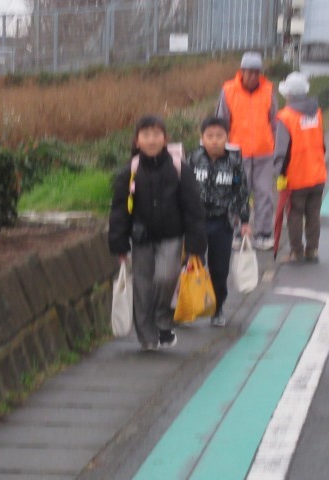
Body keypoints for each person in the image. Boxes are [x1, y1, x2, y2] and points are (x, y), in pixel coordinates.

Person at [108, 115, 207, 351]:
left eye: (156, 134)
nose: (151, 140)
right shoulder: (129, 172)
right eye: (146, 135)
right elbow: (119, 210)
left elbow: (193, 207)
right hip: (140, 238)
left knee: (166, 277)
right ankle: (147, 337)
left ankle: (162, 318)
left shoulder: (178, 169)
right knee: (142, 286)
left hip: (172, 236)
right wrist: (119, 243)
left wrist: (195, 244)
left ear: (165, 139)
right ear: (137, 141)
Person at [187, 117, 251, 327]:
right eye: (209, 136)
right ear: (202, 138)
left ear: (227, 137)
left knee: (220, 268)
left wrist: (244, 220)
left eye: (219, 136)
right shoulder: (193, 159)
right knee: (193, 264)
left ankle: (217, 308)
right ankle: (191, 304)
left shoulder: (234, 162)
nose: (214, 140)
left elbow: (242, 192)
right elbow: (182, 188)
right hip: (195, 222)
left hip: (222, 222)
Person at [216, 51, 278, 251]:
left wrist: (277, 147)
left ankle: (263, 234)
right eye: (249, 72)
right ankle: (235, 232)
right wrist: (221, 150)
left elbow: (274, 122)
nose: (253, 76)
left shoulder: (268, 91)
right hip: (237, 153)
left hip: (264, 152)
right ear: (241, 71)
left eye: (256, 72)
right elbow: (221, 122)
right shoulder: (228, 91)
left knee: (264, 194)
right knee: (236, 195)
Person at [274, 72, 327, 264]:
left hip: (296, 176)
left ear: (288, 94)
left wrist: (278, 173)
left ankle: (296, 252)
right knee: (313, 214)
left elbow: (281, 150)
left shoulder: (285, 117)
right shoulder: (317, 113)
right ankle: (312, 250)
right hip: (318, 174)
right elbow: (322, 143)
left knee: (295, 214)